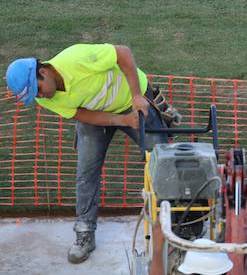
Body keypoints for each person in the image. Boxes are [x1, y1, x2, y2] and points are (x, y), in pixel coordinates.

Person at [5, 43, 167, 265]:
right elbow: (81, 114)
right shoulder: (45, 98)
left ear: (43, 72)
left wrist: (137, 96)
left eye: (38, 89)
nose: (40, 96)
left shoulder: (76, 59)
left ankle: (174, 224)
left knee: (162, 159)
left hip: (133, 100)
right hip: (97, 114)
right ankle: (85, 235)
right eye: (35, 95)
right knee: (86, 172)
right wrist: (121, 121)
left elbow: (123, 52)